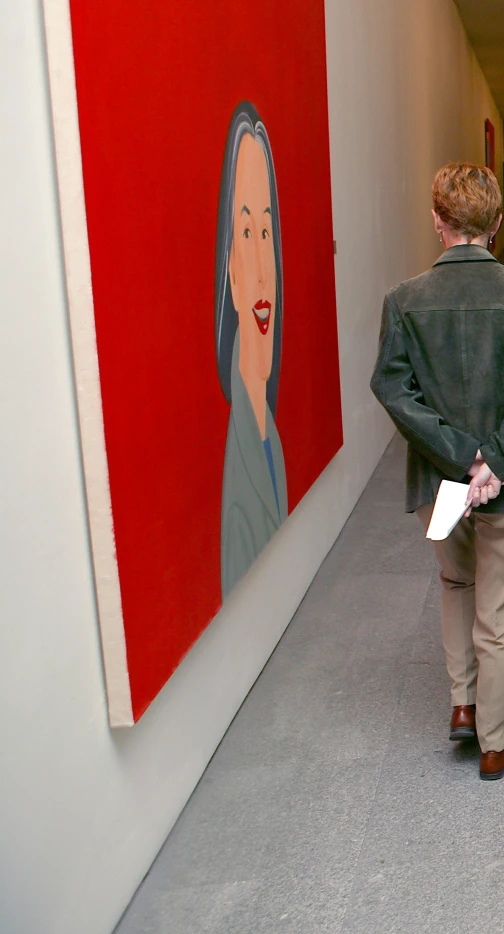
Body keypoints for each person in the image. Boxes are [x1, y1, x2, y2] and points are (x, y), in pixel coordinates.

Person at [371, 162, 504, 781]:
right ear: (498, 224)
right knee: (500, 612)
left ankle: (462, 703)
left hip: (439, 484)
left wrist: (461, 459)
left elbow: (394, 390)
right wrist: (493, 462)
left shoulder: (404, 300)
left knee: (455, 585)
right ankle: (494, 741)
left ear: (437, 221)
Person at [216, 102, 288, 596]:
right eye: (246, 233)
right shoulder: (238, 447)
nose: (262, 267)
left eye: (266, 232)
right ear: (231, 272)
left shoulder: (269, 428)